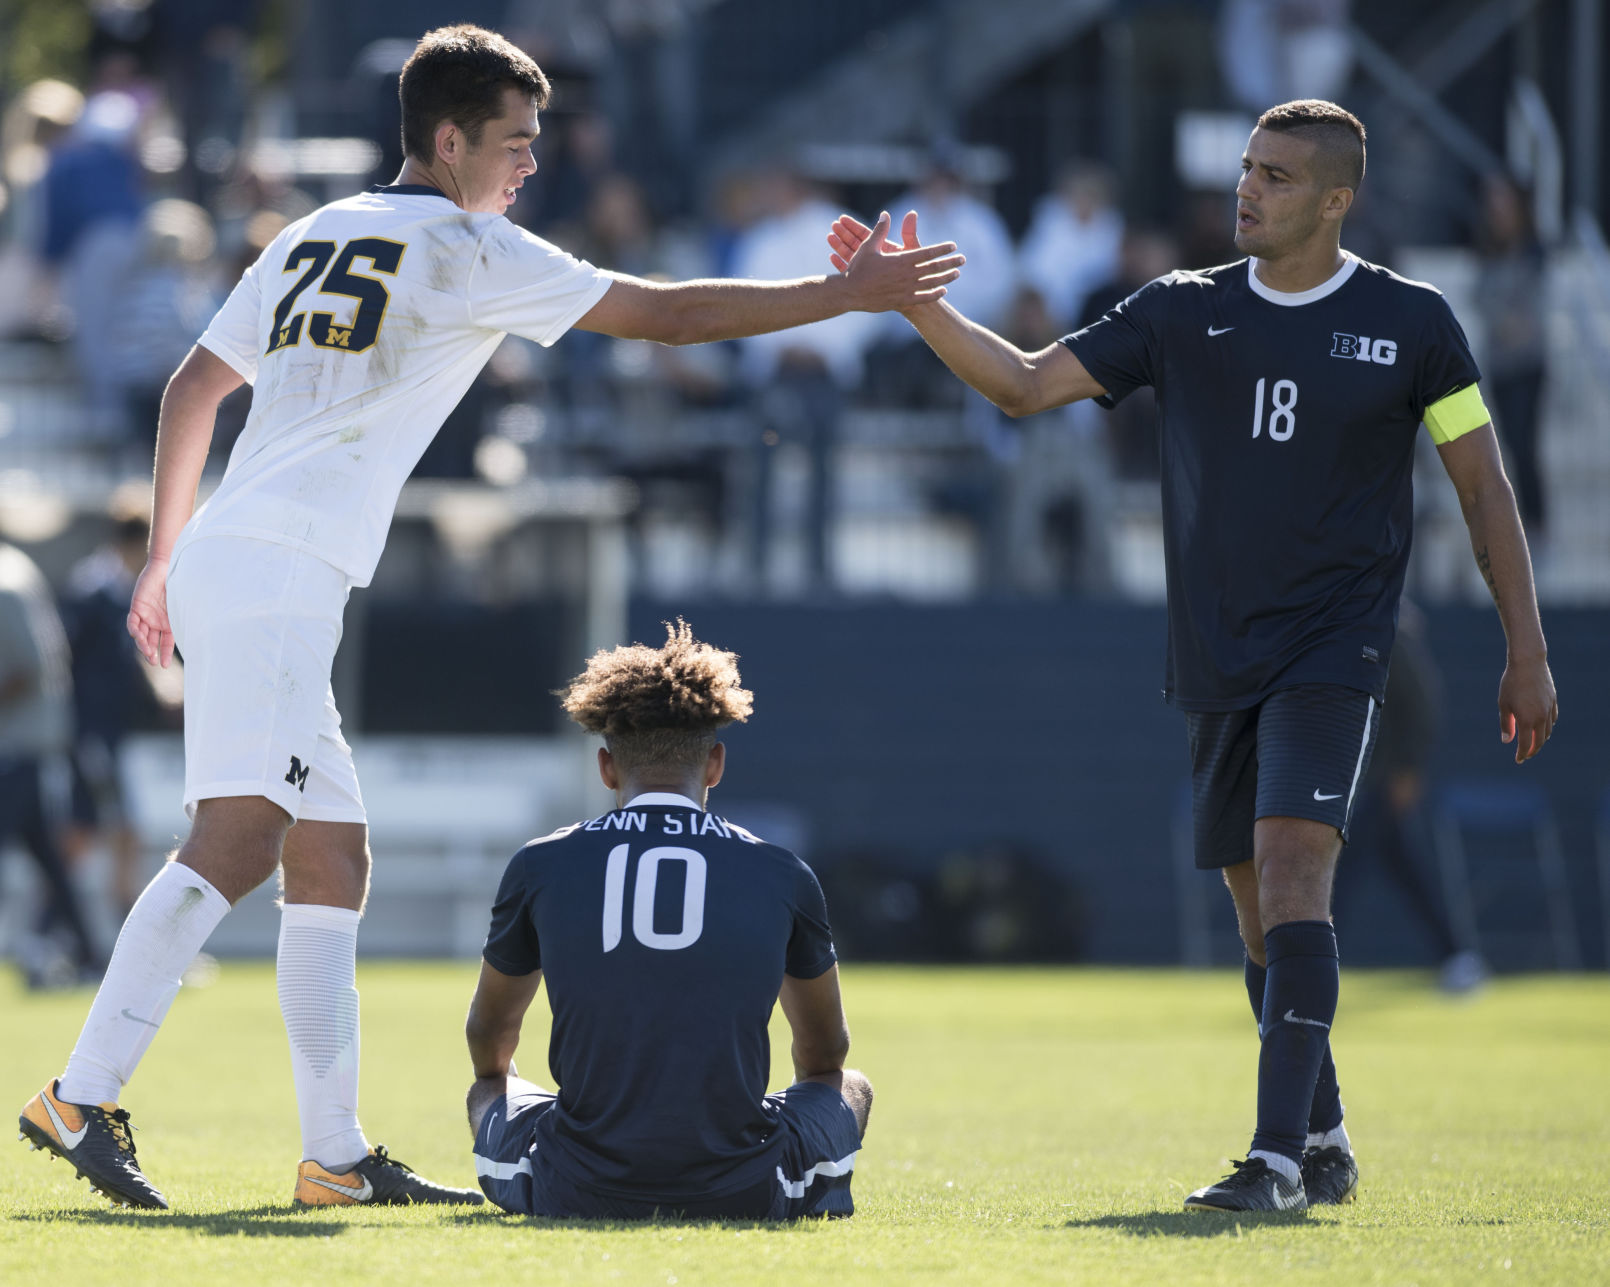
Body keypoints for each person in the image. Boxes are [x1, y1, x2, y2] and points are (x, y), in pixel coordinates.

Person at [19, 23, 955, 1212]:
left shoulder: (314, 228)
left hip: (241, 558)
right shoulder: (468, 247)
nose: (529, 163)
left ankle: (333, 1157)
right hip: (277, 571)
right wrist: (845, 293)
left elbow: (192, 387)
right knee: (241, 838)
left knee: (331, 856)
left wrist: (164, 557)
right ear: (449, 139)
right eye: (514, 142)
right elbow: (665, 317)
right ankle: (80, 1094)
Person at [828, 99, 1557, 1213]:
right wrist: (916, 304)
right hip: (1217, 646)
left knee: (1289, 866)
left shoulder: (1414, 323)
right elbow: (1023, 385)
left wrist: (1527, 651)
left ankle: (1270, 1163)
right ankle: (1323, 1136)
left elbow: (1480, 485)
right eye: (1244, 167)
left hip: (1335, 640)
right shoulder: (1179, 310)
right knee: (1254, 911)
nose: (1245, 188)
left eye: (1272, 175)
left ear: (1332, 198)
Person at [465, 621, 869, 1219]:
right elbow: (823, 1051)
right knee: (851, 1084)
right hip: (745, 1187)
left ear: (606, 767)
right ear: (715, 765)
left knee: (490, 1089)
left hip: (571, 1186)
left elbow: (489, 1035)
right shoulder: (783, 873)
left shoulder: (540, 864)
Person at [0, 544, 102, 986]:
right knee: (49, 859)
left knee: (46, 857)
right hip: (31, 747)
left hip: (18, 747)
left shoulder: (5, 584)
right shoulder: (16, 570)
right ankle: (86, 952)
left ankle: (71, 951)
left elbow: (27, 667)